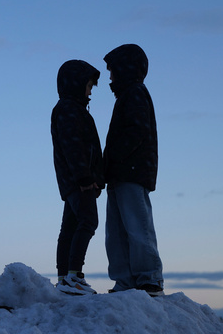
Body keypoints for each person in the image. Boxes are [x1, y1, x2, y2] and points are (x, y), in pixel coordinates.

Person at [102, 43, 164, 295]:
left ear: (124, 69)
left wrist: (112, 159)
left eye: (112, 70)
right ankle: (125, 280)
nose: (110, 77)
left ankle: (149, 278)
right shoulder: (128, 95)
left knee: (138, 227)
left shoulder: (135, 93)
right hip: (118, 173)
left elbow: (135, 132)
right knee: (116, 232)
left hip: (132, 171)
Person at [51, 59, 105, 295]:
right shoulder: (70, 110)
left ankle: (64, 278)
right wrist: (85, 178)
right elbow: (73, 147)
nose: (90, 91)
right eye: (89, 86)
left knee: (70, 227)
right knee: (88, 221)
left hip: (73, 181)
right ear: (76, 84)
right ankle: (73, 276)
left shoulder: (72, 109)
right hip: (78, 181)